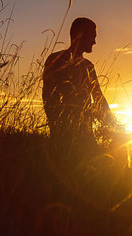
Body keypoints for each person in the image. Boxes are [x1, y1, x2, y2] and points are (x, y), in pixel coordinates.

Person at [42, 17, 126, 153]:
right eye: (92, 36)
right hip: (62, 138)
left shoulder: (88, 66)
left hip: (86, 137)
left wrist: (115, 128)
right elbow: (48, 97)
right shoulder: (56, 60)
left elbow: (99, 99)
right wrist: (57, 127)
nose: (94, 42)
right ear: (80, 34)